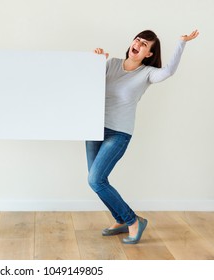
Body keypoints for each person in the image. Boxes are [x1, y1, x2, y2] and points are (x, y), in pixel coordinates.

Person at [87, 29, 199, 244]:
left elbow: (168, 72)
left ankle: (133, 221)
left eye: (145, 44)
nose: (138, 43)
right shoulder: (110, 64)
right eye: (137, 39)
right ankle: (120, 220)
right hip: (93, 128)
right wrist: (94, 61)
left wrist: (181, 43)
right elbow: (87, 85)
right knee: (96, 181)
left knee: (96, 179)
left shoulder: (147, 73)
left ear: (148, 54)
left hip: (119, 133)